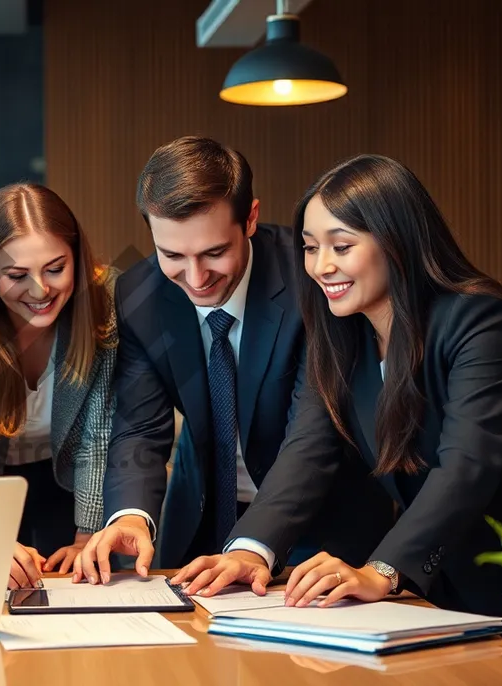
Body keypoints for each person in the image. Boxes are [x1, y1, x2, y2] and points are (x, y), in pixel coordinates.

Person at [172, 154, 502, 652]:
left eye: (342, 246)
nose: (321, 266)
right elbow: (308, 446)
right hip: (442, 605)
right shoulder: (341, 335)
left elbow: (467, 467)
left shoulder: (480, 321)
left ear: (397, 241)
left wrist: (382, 569)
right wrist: (253, 550)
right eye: (309, 248)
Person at [75, 136, 392, 583]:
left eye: (214, 253)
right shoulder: (139, 296)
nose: (196, 278)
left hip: (322, 529)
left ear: (250, 219)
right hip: (203, 523)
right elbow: (141, 427)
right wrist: (129, 516)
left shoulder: (310, 280)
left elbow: (312, 433)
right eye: (172, 255)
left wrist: (252, 545)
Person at [0, 183, 118, 587]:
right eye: (17, 275)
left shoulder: (104, 301)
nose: (41, 290)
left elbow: (97, 436)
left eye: (55, 268)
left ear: (77, 260)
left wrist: (87, 535)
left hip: (70, 478)